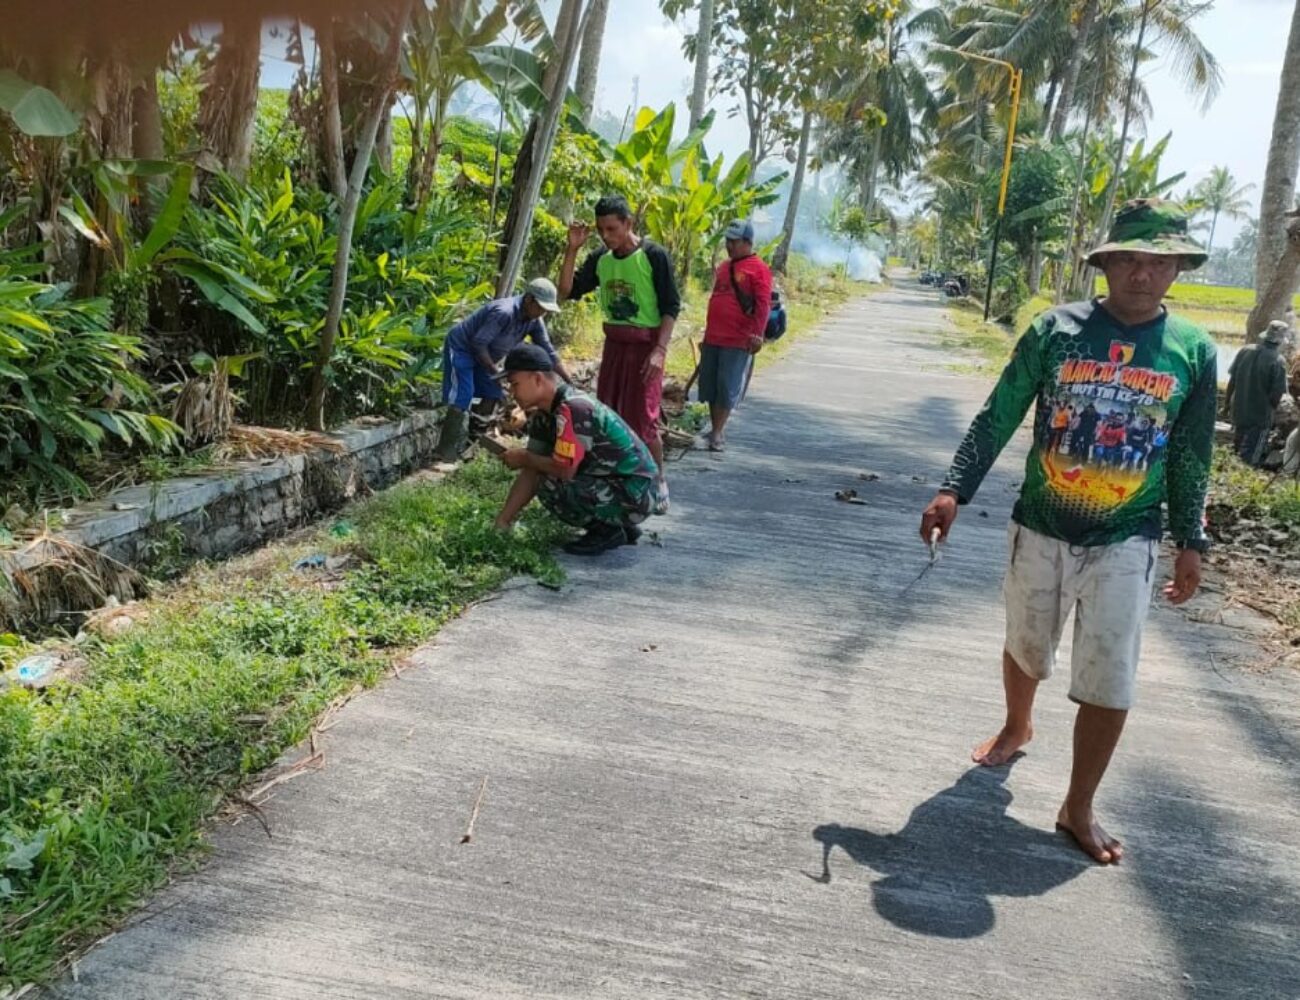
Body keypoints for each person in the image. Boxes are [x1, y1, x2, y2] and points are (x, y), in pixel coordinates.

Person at [919, 198, 1217, 865]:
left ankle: (1078, 804)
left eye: (1159, 262)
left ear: (1176, 268)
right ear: (1105, 264)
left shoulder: (1194, 351)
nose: (1143, 273)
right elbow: (999, 413)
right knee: (1026, 642)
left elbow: (1193, 453)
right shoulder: (1055, 330)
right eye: (1129, 259)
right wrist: (953, 489)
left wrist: (1190, 541)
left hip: (1129, 536)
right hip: (1042, 524)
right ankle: (1017, 724)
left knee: (1111, 675)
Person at [558, 195, 679, 512]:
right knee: (609, 416)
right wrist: (572, 249)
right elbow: (566, 290)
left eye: (612, 229)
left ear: (628, 223)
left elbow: (671, 306)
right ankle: (616, 481)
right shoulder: (601, 258)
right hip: (614, 347)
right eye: (601, 230)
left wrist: (660, 350)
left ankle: (658, 480)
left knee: (644, 419)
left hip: (646, 349)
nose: (606, 236)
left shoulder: (653, 256)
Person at [492, 345, 660, 557]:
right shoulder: (544, 416)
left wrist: (526, 458)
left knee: (549, 483)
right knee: (541, 471)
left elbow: (564, 470)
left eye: (515, 384)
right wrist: (503, 521)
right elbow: (530, 470)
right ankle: (619, 524)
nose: (512, 393)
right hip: (620, 486)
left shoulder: (574, 408)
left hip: (638, 492)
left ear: (537, 379)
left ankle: (607, 530)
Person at [433, 278, 574, 462]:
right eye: (540, 307)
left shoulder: (534, 320)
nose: (542, 313)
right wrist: (496, 373)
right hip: (463, 349)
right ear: (529, 299)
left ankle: (472, 444)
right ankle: (446, 452)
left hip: (486, 356)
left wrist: (569, 382)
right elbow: (478, 343)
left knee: (492, 392)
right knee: (463, 394)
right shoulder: (504, 312)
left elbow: (548, 351)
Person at [697, 219, 773, 451]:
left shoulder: (759, 269)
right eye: (728, 241)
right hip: (714, 337)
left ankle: (718, 432)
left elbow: (763, 304)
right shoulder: (723, 267)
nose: (729, 245)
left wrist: (757, 334)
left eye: (734, 241)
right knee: (711, 385)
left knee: (726, 385)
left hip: (738, 339)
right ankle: (715, 428)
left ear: (747, 242)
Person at [1224, 320, 1288, 466]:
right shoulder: (1278, 361)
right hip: (1259, 418)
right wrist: (1273, 417)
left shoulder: (1245, 351)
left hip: (1239, 411)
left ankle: (1233, 472)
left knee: (1237, 449)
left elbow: (1232, 381)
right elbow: (1276, 395)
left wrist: (1227, 405)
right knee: (1251, 458)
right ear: (1280, 341)